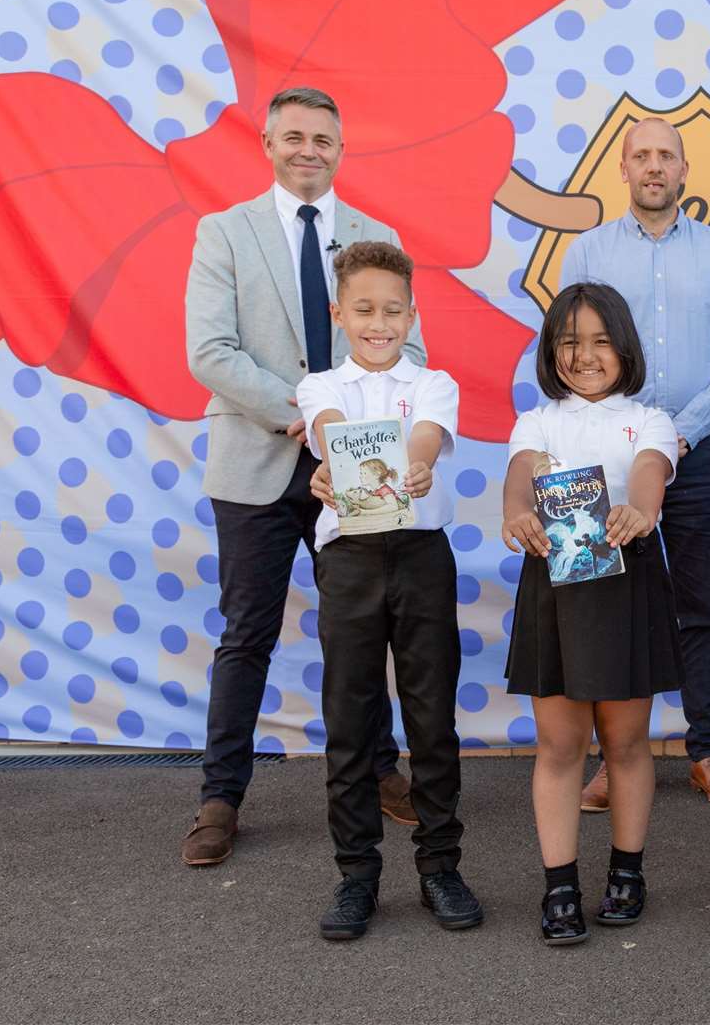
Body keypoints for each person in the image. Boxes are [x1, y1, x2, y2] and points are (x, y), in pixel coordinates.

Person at [182, 87, 418, 866]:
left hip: (358, 468)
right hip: (255, 460)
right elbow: (211, 352)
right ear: (267, 143)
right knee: (246, 633)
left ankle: (382, 773)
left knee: (361, 629)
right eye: (294, 136)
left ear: (341, 149)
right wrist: (311, 411)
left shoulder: (376, 235)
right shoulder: (224, 232)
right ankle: (220, 797)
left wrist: (350, 425)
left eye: (323, 137)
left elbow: (406, 353)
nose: (308, 148)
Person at [560, 118, 710, 811]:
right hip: (607, 456)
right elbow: (572, 351)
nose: (653, 166)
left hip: (700, 454)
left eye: (664, 156)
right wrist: (632, 435)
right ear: (621, 169)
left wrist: (677, 433)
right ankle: (615, 761)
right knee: (607, 607)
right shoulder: (586, 252)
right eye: (640, 155)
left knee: (702, 605)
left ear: (683, 169)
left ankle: (706, 749)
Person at [296, 242, 480, 940]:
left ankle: (440, 866)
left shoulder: (434, 383)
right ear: (339, 314)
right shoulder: (320, 387)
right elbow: (330, 433)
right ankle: (356, 878)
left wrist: (418, 462)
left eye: (393, 310)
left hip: (421, 554)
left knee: (432, 717)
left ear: (413, 314)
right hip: (349, 558)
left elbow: (427, 437)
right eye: (365, 310)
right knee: (350, 717)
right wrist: (333, 470)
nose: (379, 323)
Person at [501, 282, 683, 946]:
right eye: (570, 341)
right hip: (554, 583)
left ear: (625, 348)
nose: (585, 354)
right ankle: (559, 886)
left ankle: (628, 873)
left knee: (626, 742)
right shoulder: (539, 418)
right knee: (558, 745)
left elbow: (648, 473)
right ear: (551, 351)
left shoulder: (650, 419)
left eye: (601, 340)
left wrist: (641, 511)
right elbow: (520, 474)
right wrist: (514, 513)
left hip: (625, 583)